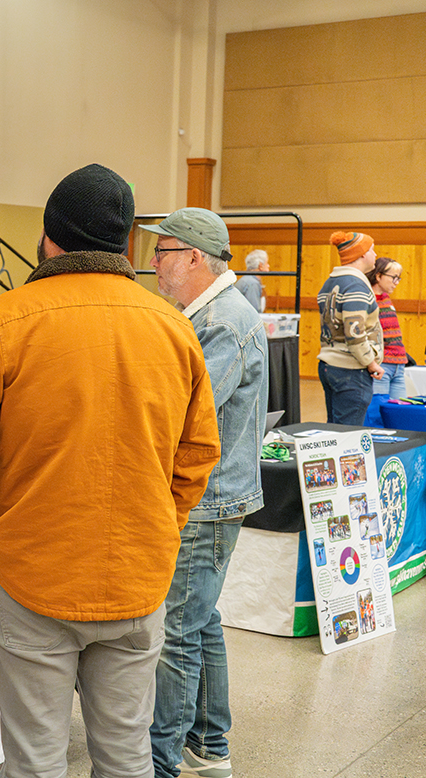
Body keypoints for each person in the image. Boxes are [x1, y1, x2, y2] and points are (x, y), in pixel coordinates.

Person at [0, 164, 221, 778]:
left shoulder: (2, 321)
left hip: (31, 571)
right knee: (126, 753)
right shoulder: (174, 327)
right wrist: (159, 527)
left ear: (48, 237)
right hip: (137, 575)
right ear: (125, 243)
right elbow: (198, 452)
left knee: (34, 758)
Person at [140, 207, 269, 778]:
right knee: (200, 619)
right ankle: (209, 744)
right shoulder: (211, 314)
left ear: (193, 257)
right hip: (212, 495)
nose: (152, 262)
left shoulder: (222, 322)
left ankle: (160, 761)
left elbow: (185, 415)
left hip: (206, 500)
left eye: (162, 251)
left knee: (176, 631)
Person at [317, 231, 384, 425]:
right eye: (372, 250)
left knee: (335, 429)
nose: (375, 254)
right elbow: (354, 333)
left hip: (330, 365)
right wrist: (371, 362)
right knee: (348, 434)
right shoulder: (355, 286)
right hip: (351, 369)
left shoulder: (331, 282)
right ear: (362, 254)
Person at [363, 256, 407, 426]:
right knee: (377, 416)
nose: (396, 282)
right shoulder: (367, 299)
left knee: (399, 415)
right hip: (382, 365)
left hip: (398, 365)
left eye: (398, 278)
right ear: (378, 276)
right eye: (393, 277)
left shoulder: (386, 298)